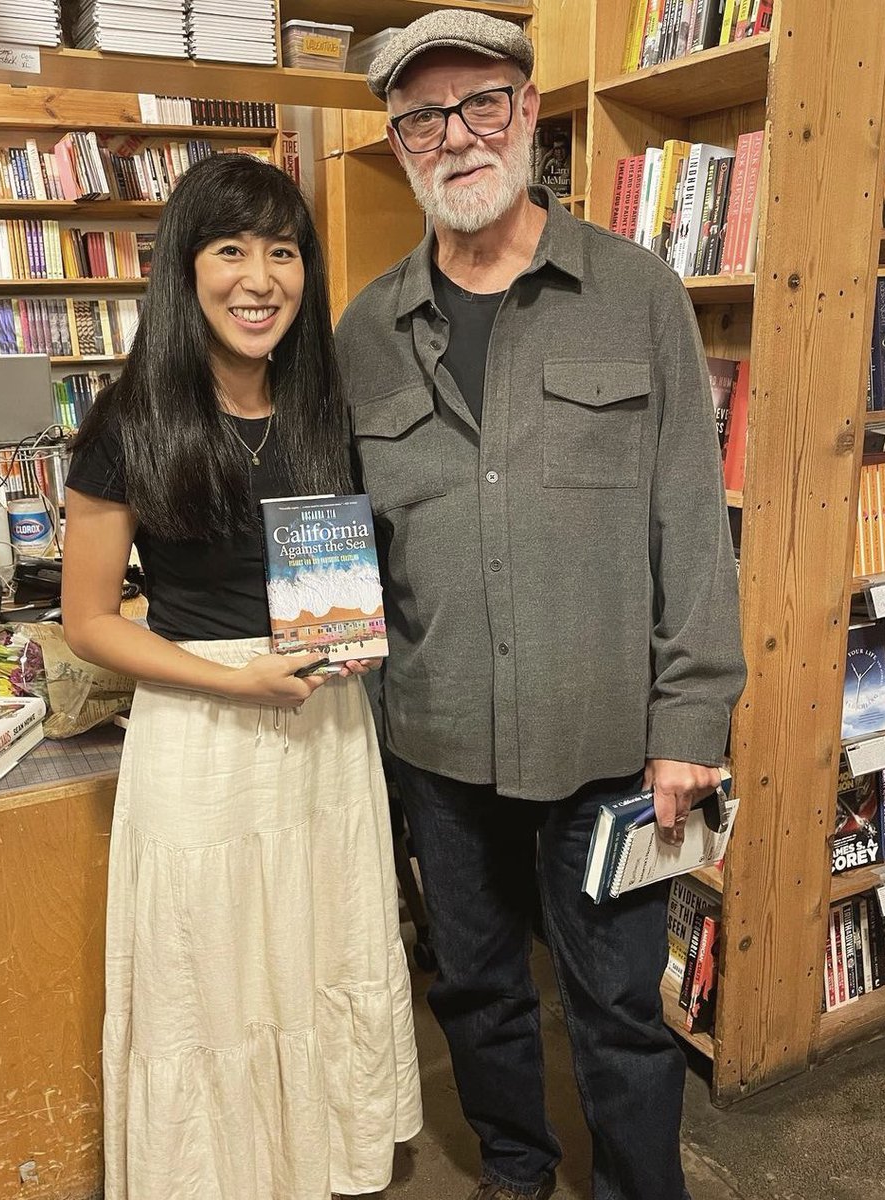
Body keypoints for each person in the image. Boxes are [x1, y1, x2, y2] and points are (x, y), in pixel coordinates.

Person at [334, 12, 746, 1200]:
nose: (454, 137)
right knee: (472, 989)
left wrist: (689, 727)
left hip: (609, 748)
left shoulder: (637, 294)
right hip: (437, 745)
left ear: (526, 111)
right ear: (400, 142)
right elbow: (348, 550)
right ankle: (516, 1170)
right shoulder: (366, 330)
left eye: (479, 106)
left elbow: (689, 520)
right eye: (422, 117)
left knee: (617, 1009)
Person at [61, 153, 421, 1200]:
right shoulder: (130, 420)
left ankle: (322, 1154)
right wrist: (235, 682)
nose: (258, 277)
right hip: (203, 734)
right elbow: (86, 621)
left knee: (321, 942)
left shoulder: (325, 406)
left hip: (325, 723)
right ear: (185, 268)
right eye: (230, 249)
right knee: (207, 972)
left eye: (282, 250)